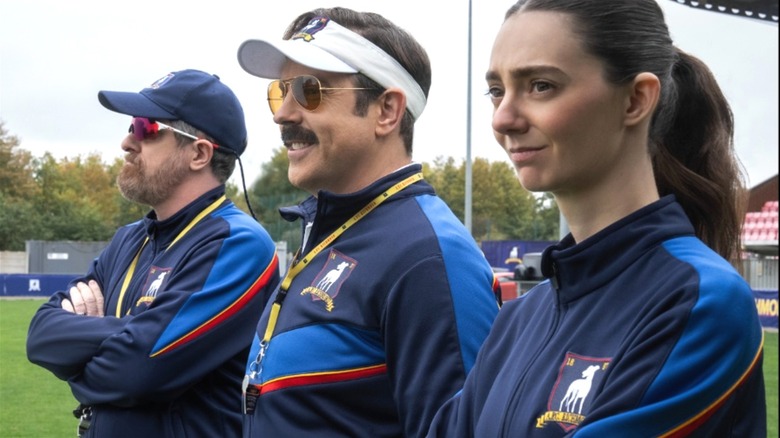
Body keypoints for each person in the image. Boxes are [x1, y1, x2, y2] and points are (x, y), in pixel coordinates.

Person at [427, 1, 767, 436]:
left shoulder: (700, 303)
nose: (503, 118)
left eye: (541, 85)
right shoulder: (517, 321)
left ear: (635, 100)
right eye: (497, 90)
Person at [236, 7, 499, 437]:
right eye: (280, 90)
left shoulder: (428, 257)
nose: (282, 114)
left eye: (309, 90)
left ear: (387, 111)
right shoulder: (334, 229)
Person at [26, 69, 281, 438]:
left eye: (145, 127)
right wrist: (127, 335)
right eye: (132, 126)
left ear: (198, 153)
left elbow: (135, 372)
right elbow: (41, 334)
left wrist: (81, 358)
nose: (127, 142)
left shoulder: (237, 243)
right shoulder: (129, 238)